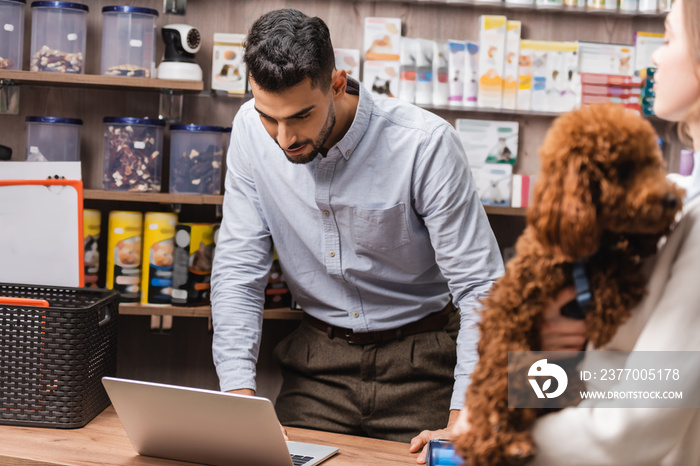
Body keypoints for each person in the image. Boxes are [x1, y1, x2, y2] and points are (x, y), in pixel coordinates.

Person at [209, 7, 504, 457]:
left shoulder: (424, 144)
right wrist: (237, 400)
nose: (283, 138)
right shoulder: (251, 130)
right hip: (317, 366)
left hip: (423, 364)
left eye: (300, 116)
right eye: (270, 117)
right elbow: (238, 271)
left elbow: (480, 286)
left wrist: (465, 417)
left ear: (337, 84)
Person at [452, 0, 700, 463]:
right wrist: (515, 385)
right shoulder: (674, 199)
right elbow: (610, 371)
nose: (655, 59)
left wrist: (491, 433)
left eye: (668, 39)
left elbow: (646, 407)